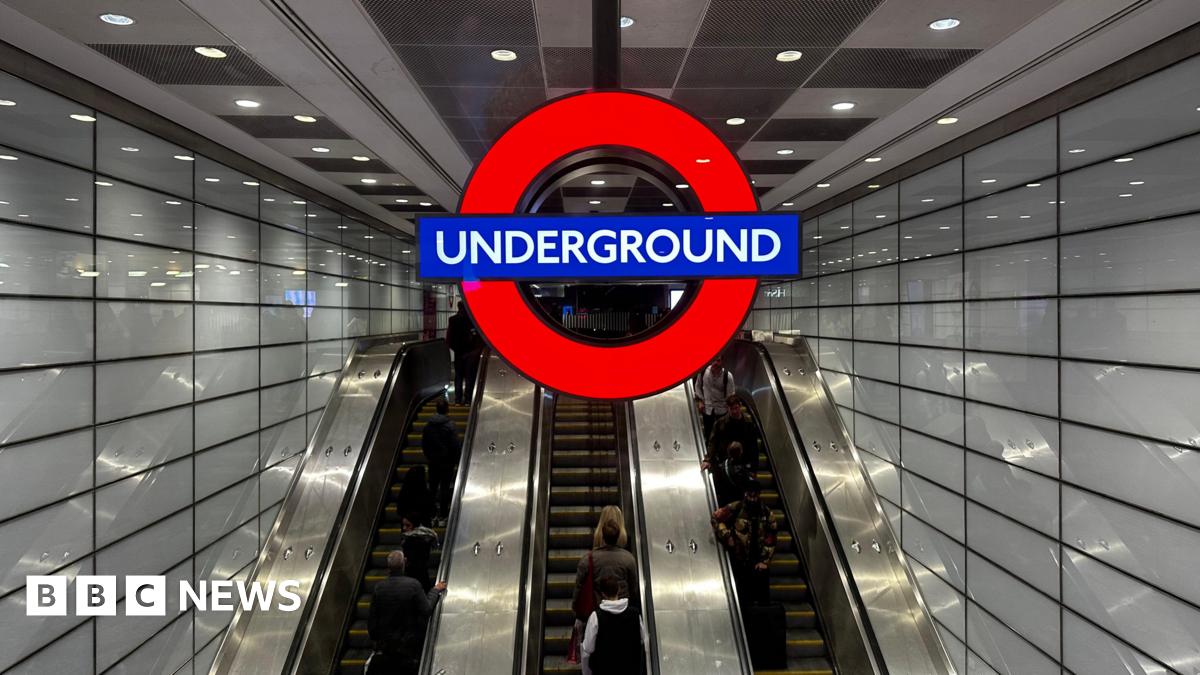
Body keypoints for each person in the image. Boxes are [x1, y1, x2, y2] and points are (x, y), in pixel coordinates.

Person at [367, 550, 447, 675]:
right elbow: (426, 609)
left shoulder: (379, 588)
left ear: (388, 567)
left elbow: (372, 620)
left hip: (386, 648)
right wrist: (435, 590)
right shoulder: (413, 585)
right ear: (404, 563)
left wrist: (376, 640)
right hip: (406, 648)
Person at [712, 474, 778, 606]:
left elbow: (771, 537)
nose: (752, 499)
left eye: (755, 495)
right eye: (749, 495)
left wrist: (765, 561)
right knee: (742, 600)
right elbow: (716, 519)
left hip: (758, 562)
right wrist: (726, 536)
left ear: (759, 495)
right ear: (745, 494)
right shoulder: (736, 507)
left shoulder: (766, 513)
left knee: (762, 600)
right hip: (739, 560)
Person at [572, 506, 640, 621]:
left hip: (597, 612)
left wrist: (575, 607)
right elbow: (634, 589)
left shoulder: (589, 559)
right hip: (624, 612)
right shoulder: (629, 558)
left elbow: (579, 587)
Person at [580, 572, 648, 675]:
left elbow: (588, 649)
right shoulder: (634, 614)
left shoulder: (596, 617)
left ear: (602, 593)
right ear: (619, 589)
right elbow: (643, 641)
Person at [703, 396, 761, 503]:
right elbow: (713, 442)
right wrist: (708, 459)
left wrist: (754, 469)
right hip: (725, 463)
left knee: (741, 492)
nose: (734, 411)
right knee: (726, 492)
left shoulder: (748, 424)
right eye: (732, 409)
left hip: (743, 463)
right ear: (727, 408)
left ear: (740, 407)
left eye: (736, 408)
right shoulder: (721, 423)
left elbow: (754, 447)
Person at [421, 398, 461, 525]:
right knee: (444, 488)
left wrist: (430, 457)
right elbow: (455, 445)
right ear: (447, 410)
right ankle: (443, 516)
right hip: (447, 463)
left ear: (436, 409)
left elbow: (424, 444)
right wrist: (455, 460)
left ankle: (432, 516)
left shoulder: (428, 426)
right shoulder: (450, 426)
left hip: (433, 462)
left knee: (432, 489)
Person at [445, 301, 483, 405]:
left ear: (458, 307)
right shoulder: (473, 319)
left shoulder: (452, 320)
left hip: (459, 353)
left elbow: (449, 338)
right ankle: (468, 400)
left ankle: (457, 400)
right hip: (471, 353)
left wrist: (456, 349)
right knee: (470, 377)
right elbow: (479, 338)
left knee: (459, 376)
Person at [693, 355, 736, 438]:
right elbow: (698, 386)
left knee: (721, 436)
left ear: (722, 362)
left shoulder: (728, 376)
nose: (715, 363)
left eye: (718, 360)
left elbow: (731, 396)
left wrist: (731, 409)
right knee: (708, 434)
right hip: (707, 410)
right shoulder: (703, 372)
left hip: (722, 412)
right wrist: (701, 400)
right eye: (713, 360)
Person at [398, 513, 438, 591]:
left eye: (408, 525)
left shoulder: (413, 542)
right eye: (403, 525)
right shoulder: (424, 538)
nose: (404, 528)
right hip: (421, 578)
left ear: (414, 525)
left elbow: (418, 562)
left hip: (416, 578)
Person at [395, 464, 434, 529]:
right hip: (423, 527)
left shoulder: (404, 491)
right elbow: (430, 510)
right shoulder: (424, 492)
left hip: (408, 527)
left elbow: (399, 510)